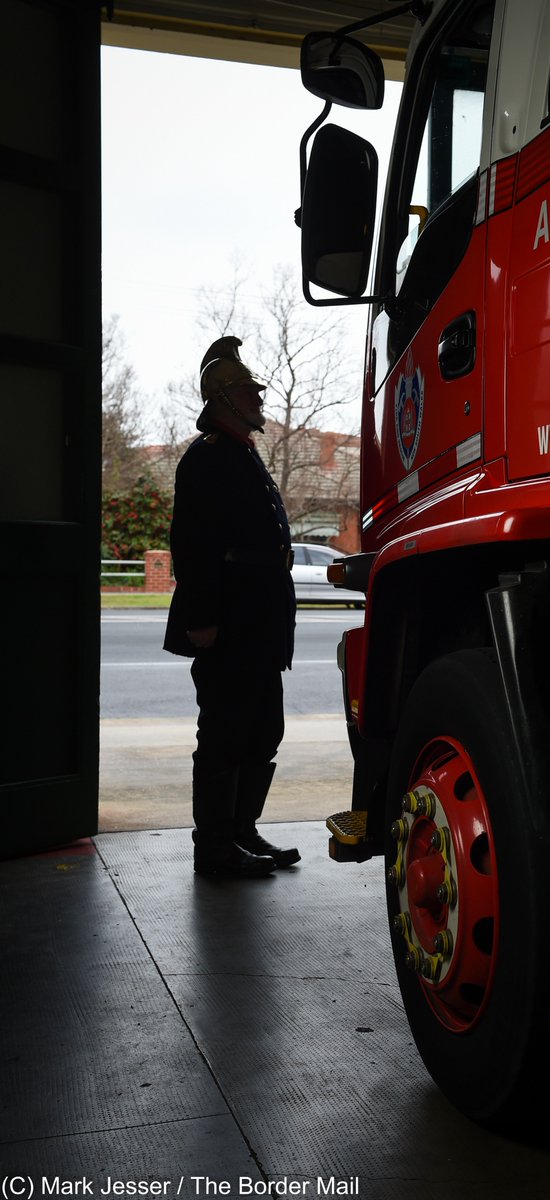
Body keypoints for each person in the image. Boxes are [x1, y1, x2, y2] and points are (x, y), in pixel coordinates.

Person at [163, 335, 300, 877]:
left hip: (259, 624)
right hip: (229, 623)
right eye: (250, 389)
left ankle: (242, 831)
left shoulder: (243, 454)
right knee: (223, 733)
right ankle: (215, 847)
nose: (259, 397)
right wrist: (200, 618)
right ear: (224, 397)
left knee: (263, 731)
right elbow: (191, 543)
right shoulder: (209, 458)